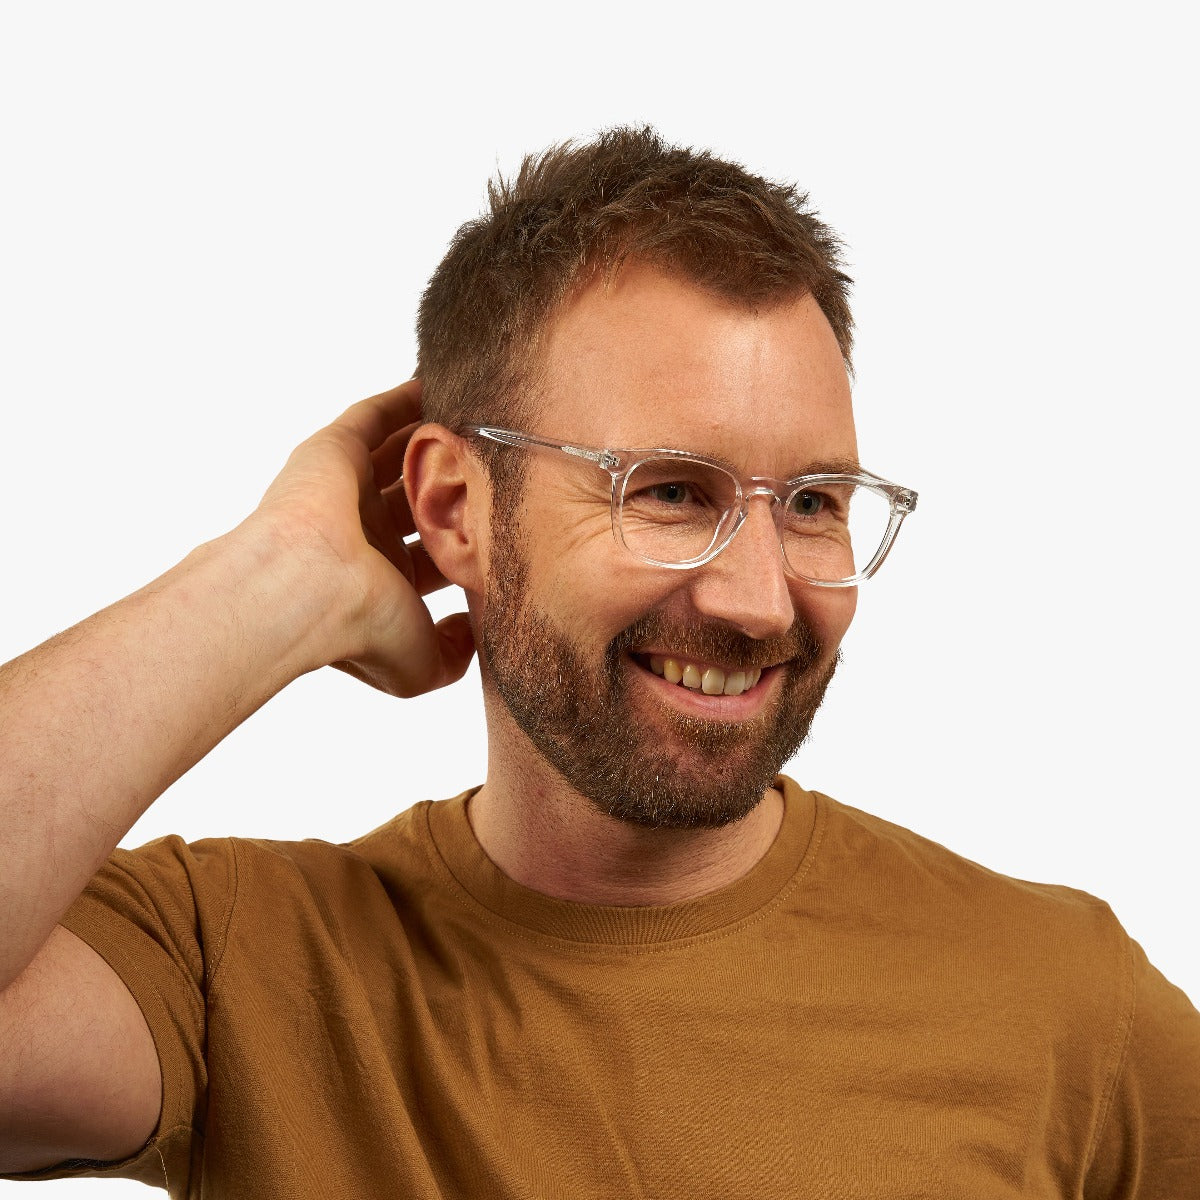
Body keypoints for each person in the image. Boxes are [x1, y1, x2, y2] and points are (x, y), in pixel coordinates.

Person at [0, 127, 1196, 1198]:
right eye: (671, 493)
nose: (761, 599)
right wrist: (269, 582)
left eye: (817, 502)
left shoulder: (1068, 1009)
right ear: (456, 510)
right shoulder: (237, 966)